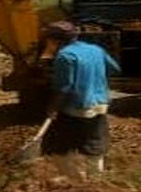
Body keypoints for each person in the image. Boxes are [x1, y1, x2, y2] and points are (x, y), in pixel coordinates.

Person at [40, 21, 120, 179]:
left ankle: (75, 180)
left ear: (54, 40)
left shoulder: (65, 56)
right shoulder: (95, 49)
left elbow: (64, 87)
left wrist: (52, 108)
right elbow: (115, 69)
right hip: (100, 104)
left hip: (76, 108)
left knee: (58, 146)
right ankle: (96, 182)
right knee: (94, 144)